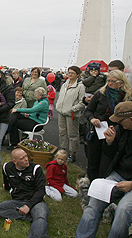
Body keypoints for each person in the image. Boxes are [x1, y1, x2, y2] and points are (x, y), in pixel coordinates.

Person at [76, 101, 132, 237]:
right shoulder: (122, 129)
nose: (118, 123)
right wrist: (110, 142)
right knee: (94, 202)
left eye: (121, 120)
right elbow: (111, 155)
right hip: (118, 175)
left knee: (123, 210)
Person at [83, 70, 132, 181]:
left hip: (117, 133)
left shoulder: (127, 96)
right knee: (93, 161)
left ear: (121, 82)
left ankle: (104, 186)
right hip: (98, 131)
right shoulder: (101, 93)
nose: (110, 83)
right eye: (108, 81)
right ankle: (92, 185)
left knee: (107, 162)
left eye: (113, 81)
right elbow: (88, 111)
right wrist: (92, 119)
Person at [0, 148, 49, 238]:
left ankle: (35, 235)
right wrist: (6, 187)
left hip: (35, 201)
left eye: (26, 156)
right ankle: (29, 217)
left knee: (41, 215)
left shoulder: (36, 169)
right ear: (15, 162)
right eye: (22, 158)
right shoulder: (7, 167)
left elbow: (41, 191)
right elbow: (7, 181)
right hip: (18, 200)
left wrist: (29, 206)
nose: (26, 159)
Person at [55, 66, 85, 163]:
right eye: (69, 72)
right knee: (62, 131)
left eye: (72, 73)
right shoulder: (64, 84)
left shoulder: (80, 86)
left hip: (71, 113)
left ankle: (73, 153)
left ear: (77, 75)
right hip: (61, 111)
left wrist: (73, 109)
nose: (70, 74)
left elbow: (82, 102)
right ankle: (62, 150)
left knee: (72, 134)